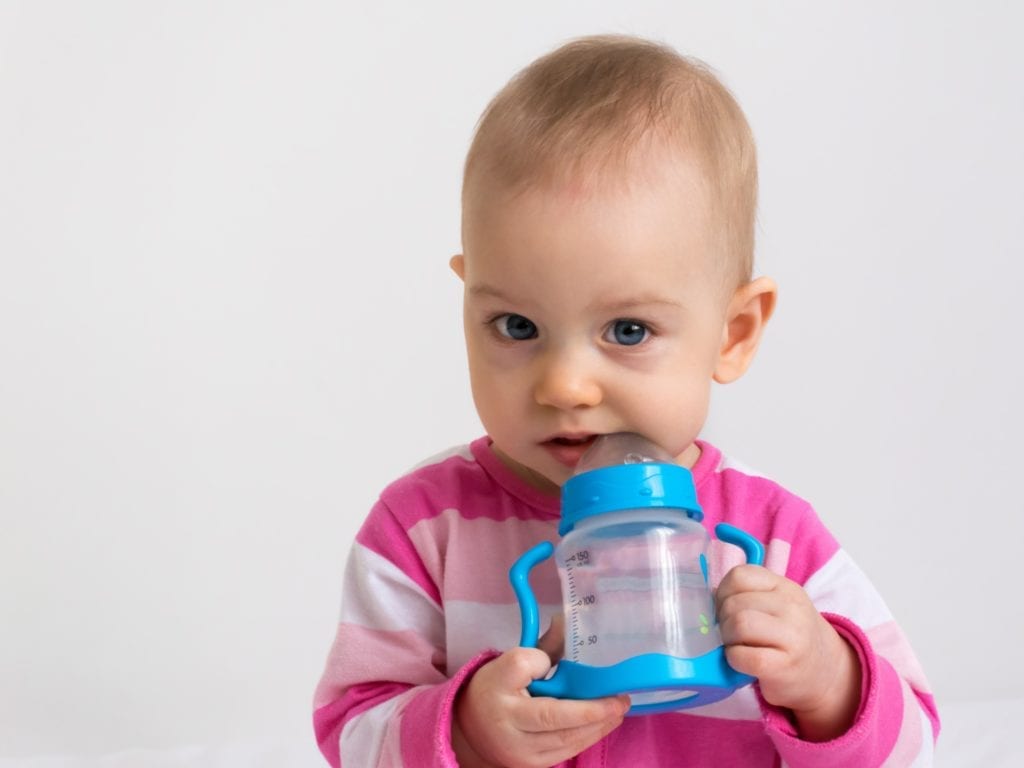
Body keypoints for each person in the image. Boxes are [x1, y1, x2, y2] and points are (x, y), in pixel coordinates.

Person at [312, 34, 939, 767]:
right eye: (517, 326)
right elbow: (353, 734)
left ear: (732, 334)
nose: (564, 386)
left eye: (628, 330)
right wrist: (465, 732)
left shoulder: (775, 537)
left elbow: (916, 746)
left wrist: (830, 680)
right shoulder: (423, 529)